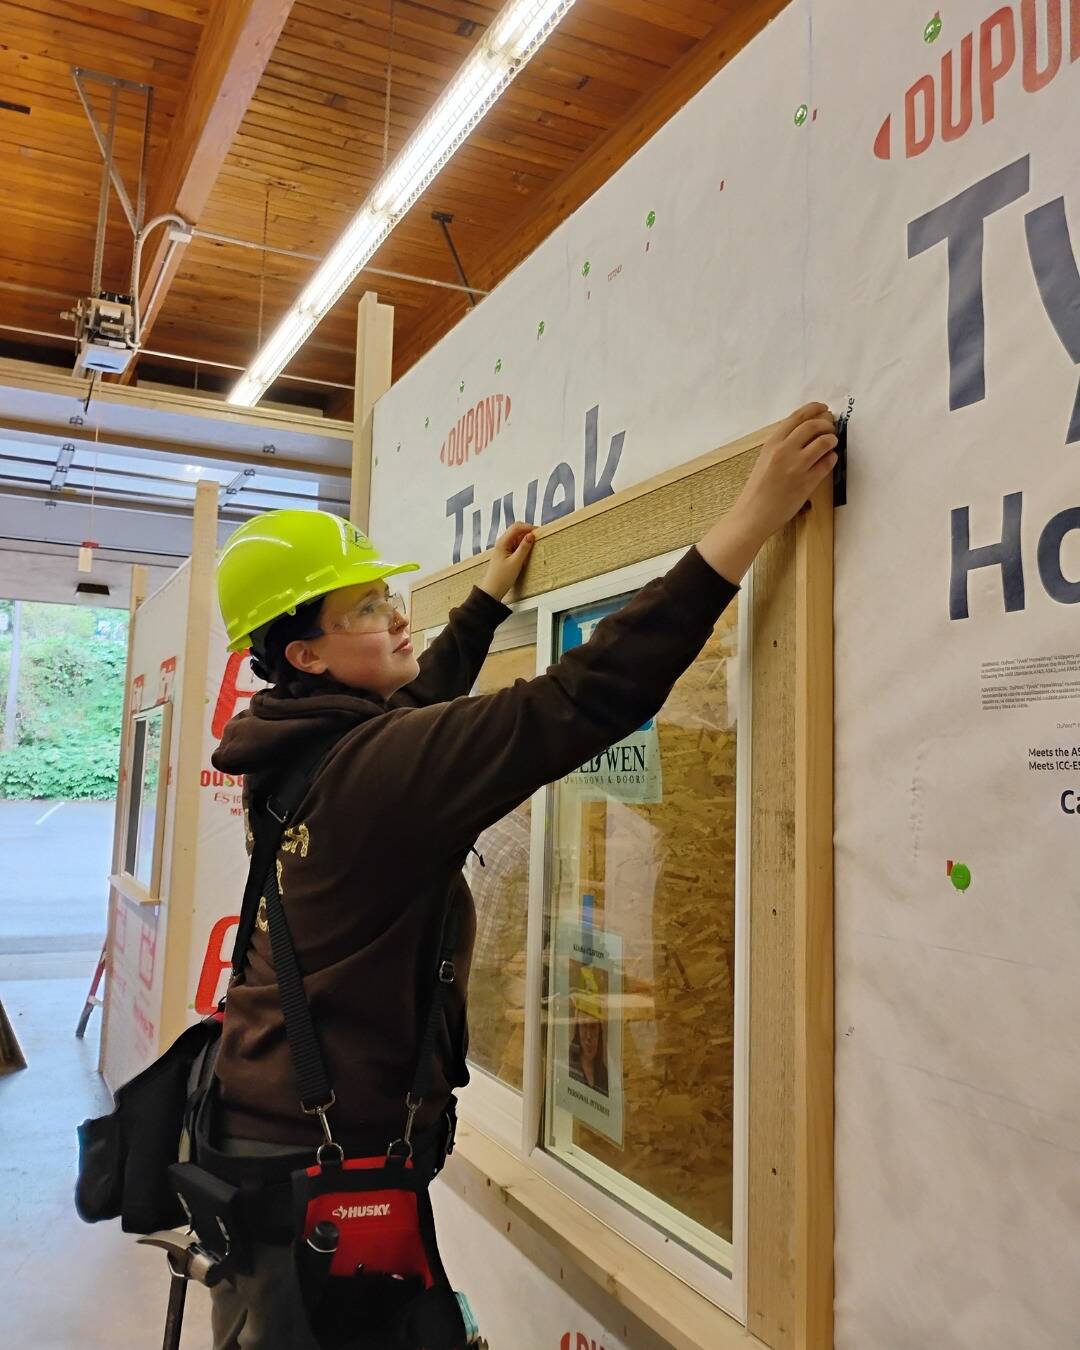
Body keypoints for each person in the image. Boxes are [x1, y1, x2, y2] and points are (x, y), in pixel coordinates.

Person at [207, 401, 838, 1348]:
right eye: (368, 609)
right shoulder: (374, 772)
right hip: (320, 1174)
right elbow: (577, 700)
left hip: (272, 1144)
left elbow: (411, 709)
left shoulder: (294, 749)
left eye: (390, 594)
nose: (396, 614)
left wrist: (485, 608)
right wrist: (746, 520)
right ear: (305, 653)